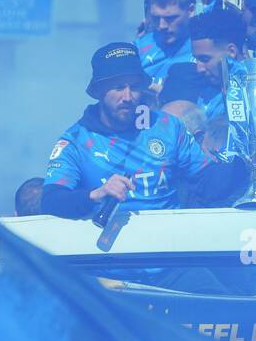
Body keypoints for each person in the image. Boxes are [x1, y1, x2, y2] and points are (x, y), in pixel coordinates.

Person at [40, 42, 243, 218]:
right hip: (109, 257)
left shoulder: (167, 126)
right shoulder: (75, 140)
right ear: (99, 92)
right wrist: (96, 194)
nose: (128, 97)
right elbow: (50, 201)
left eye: (135, 87)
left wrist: (248, 163)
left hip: (168, 253)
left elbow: (208, 182)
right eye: (118, 87)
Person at [136, 0, 196, 82]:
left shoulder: (206, 49)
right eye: (156, 18)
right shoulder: (137, 49)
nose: (161, 26)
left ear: (190, 10)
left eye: (170, 18)